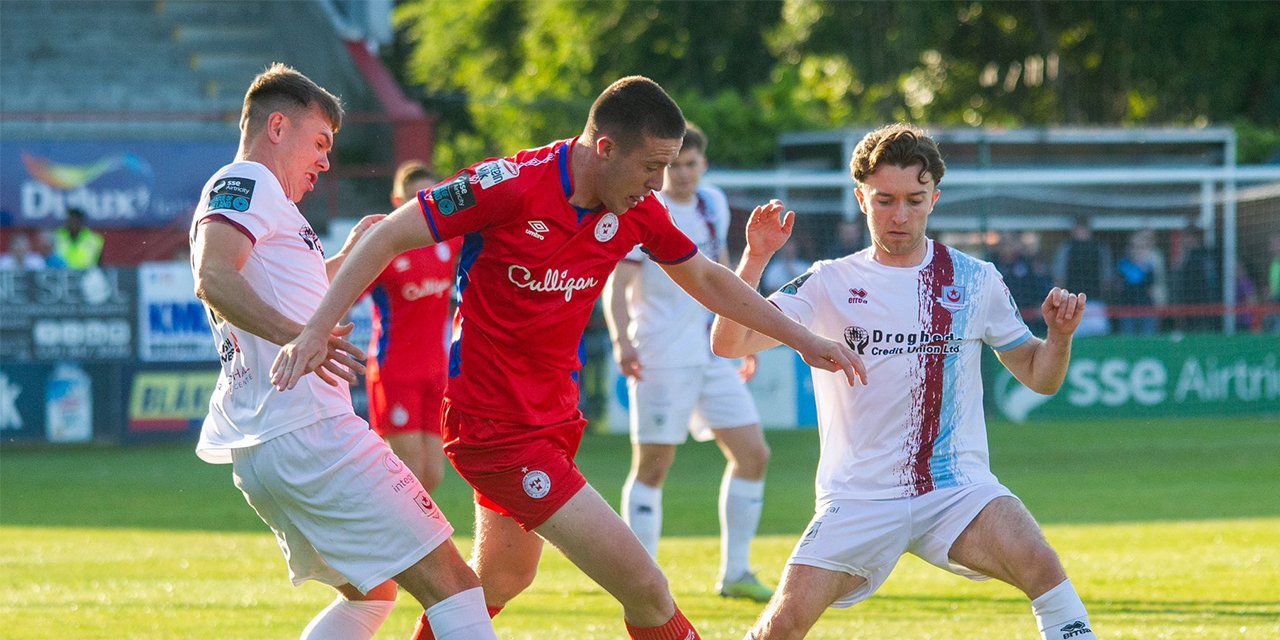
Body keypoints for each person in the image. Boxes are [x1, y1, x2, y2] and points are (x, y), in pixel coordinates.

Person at [270, 75, 865, 640]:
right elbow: (385, 235)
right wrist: (316, 329)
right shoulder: (507, 183)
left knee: (504, 577)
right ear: (605, 147)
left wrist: (803, 339)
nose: (659, 184)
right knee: (647, 589)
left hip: (552, 416)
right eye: (652, 166)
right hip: (494, 427)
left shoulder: (632, 207)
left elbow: (708, 279)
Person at [711, 124, 1098, 640]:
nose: (899, 216)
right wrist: (756, 257)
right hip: (859, 497)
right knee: (782, 625)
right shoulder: (829, 281)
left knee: (1042, 566)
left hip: (956, 487)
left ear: (934, 198)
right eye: (884, 200)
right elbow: (729, 342)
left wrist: (1060, 337)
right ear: (860, 199)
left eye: (914, 200)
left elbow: (1038, 376)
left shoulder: (976, 278)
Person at [188, 63, 496, 640]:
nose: (327, 160)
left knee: (370, 593)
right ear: (277, 126)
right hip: (311, 433)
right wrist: (298, 338)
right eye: (321, 142)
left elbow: (273, 287)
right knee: (458, 587)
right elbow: (214, 277)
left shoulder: (270, 205)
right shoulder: (246, 180)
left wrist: (346, 256)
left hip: (270, 444)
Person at [602, 122, 774, 602]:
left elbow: (724, 277)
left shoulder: (713, 204)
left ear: (703, 165)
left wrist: (741, 337)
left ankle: (736, 572)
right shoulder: (643, 207)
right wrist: (622, 341)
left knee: (753, 455)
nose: (681, 174)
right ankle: (642, 582)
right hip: (660, 355)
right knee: (654, 466)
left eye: (690, 164)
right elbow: (617, 285)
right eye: (673, 165)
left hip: (714, 354)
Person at [364, 159, 460, 492]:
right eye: (413, 199)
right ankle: (377, 536)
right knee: (409, 477)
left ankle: (383, 533)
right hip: (395, 373)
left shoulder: (449, 243)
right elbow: (340, 294)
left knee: (432, 476)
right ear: (397, 203)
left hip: (436, 372)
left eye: (427, 197)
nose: (420, 207)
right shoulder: (383, 250)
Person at [1053, 215, 1111, 336]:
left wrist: (1104, 294)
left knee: (1099, 337)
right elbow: (1059, 276)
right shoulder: (1067, 248)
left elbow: (1106, 276)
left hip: (1095, 301)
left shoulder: (1099, 248)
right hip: (1072, 302)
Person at [1114, 228, 1165, 336]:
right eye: (1134, 246)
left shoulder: (1150, 266)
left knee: (1148, 341)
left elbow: (1153, 288)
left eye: (1141, 247)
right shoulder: (1123, 265)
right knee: (1128, 342)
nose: (1137, 250)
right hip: (1127, 309)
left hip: (1146, 309)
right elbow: (1118, 286)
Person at [1170, 225, 1220, 332]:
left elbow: (1210, 279)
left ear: (1194, 238)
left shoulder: (1203, 255)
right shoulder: (1187, 256)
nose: (1185, 241)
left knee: (1201, 332)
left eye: (1187, 237)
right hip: (1187, 305)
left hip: (1202, 304)